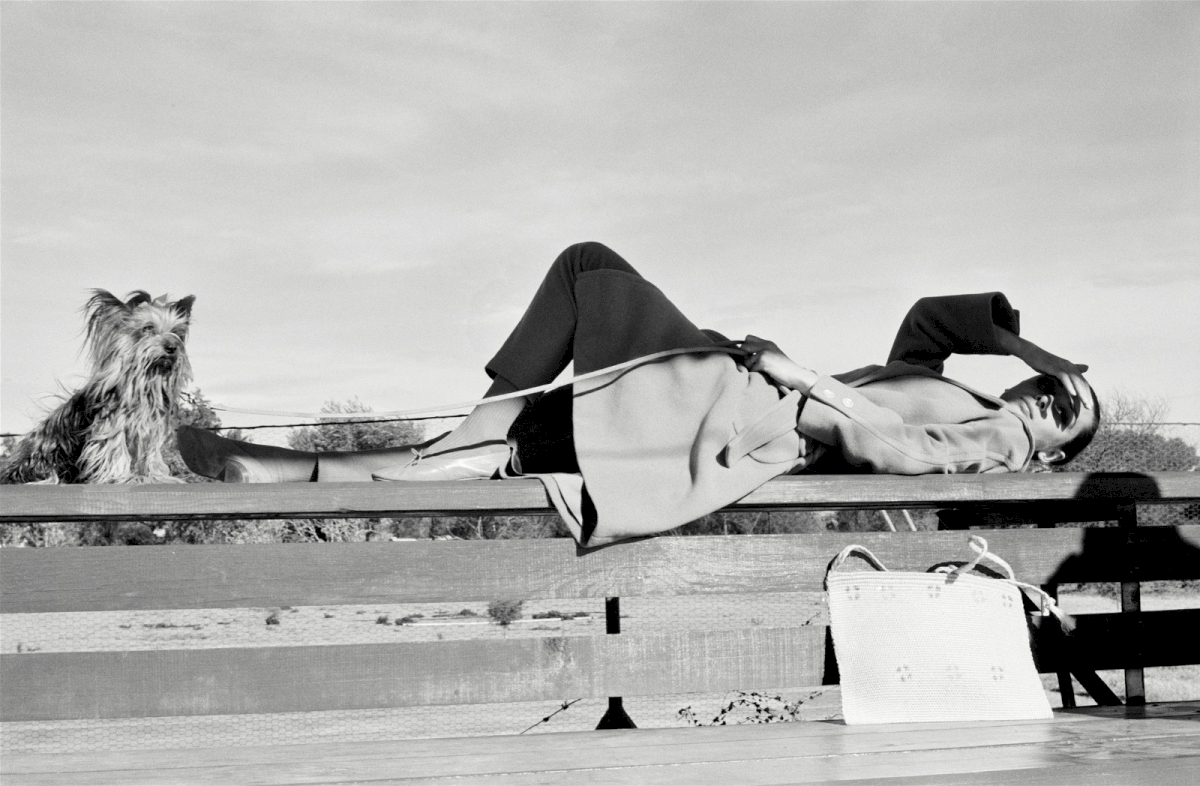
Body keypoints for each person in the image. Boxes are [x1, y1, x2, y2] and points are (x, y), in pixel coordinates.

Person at [180, 242, 1098, 547]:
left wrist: (792, 373)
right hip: (718, 400)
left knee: (591, 272)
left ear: (1054, 450)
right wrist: (1021, 342)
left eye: (1071, 414)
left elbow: (889, 450)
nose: (1057, 400)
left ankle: (352, 463)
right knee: (516, 441)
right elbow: (929, 327)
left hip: (739, 413)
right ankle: (278, 473)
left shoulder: (999, 441)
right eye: (1055, 389)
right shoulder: (963, 388)